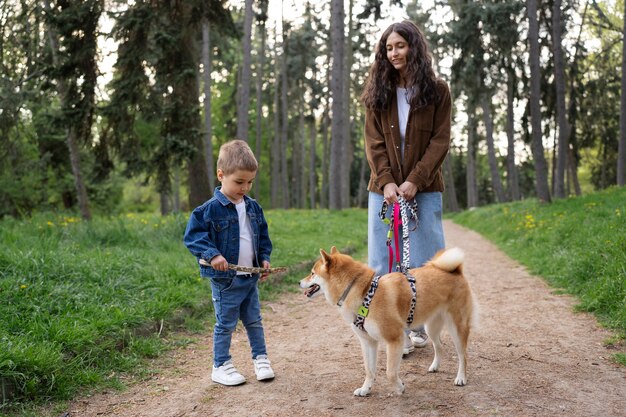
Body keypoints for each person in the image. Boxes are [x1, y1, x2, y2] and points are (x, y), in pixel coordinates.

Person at [360, 21, 452, 355]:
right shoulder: (376, 92)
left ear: (414, 47)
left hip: (423, 189)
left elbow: (440, 141)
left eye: (400, 45)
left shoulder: (437, 91)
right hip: (382, 189)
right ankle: (390, 327)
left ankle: (418, 327)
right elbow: (374, 143)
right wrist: (386, 182)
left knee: (425, 263)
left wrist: (415, 179)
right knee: (383, 260)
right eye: (389, 47)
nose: (394, 53)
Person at [183, 139, 275, 386]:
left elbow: (263, 238)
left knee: (254, 320)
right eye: (239, 182)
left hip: (250, 278)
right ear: (221, 175)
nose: (245, 187)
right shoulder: (208, 210)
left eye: (250, 182)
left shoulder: (254, 207)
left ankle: (261, 358)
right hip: (226, 281)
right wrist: (213, 255)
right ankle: (221, 364)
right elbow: (193, 237)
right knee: (225, 323)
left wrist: (264, 260)